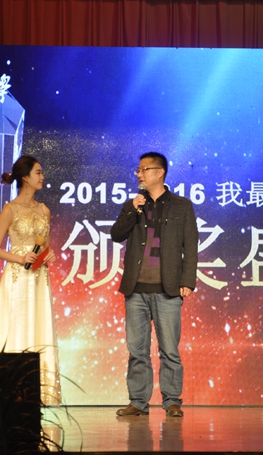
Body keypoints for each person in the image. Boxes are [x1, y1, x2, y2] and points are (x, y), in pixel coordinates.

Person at [111, 151, 198, 417]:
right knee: (137, 350)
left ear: (160, 173)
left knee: (169, 349)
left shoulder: (181, 206)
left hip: (168, 288)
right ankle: (138, 402)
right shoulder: (133, 204)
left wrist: (187, 280)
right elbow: (116, 234)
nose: (139, 174)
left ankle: (172, 401)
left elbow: (190, 246)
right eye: (137, 170)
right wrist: (132, 209)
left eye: (144, 169)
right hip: (136, 288)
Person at [0, 155, 61, 406]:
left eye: (42, 172)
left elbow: (45, 245)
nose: (42, 177)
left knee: (39, 323)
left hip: (39, 277)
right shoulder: (10, 210)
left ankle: (39, 392)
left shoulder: (44, 210)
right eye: (38, 172)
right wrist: (20, 258)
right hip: (18, 278)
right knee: (18, 325)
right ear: (25, 178)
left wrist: (48, 254)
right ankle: (13, 390)